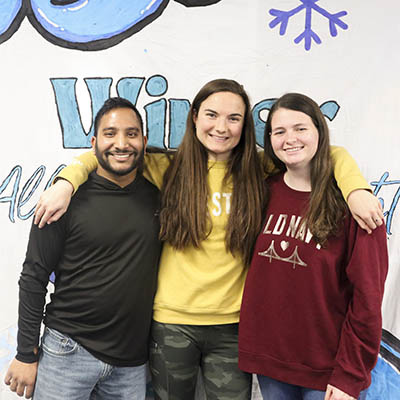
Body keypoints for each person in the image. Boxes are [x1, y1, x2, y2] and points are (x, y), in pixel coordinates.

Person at [33, 80, 383, 400]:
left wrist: (355, 189)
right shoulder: (166, 167)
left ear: (245, 126)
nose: (221, 126)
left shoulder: (260, 169)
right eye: (212, 115)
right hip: (171, 322)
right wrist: (65, 183)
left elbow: (328, 153)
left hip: (233, 325)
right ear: (195, 117)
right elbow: (100, 155)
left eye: (234, 118)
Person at [4, 97, 162, 399]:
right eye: (110, 133)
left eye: (131, 134)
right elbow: (34, 277)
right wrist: (26, 353)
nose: (121, 143)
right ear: (94, 142)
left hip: (131, 362)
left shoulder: (158, 198)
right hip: (67, 351)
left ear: (144, 140)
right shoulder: (61, 200)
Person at [238, 93, 388, 400]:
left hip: (328, 370)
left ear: (319, 131)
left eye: (300, 128)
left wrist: (350, 375)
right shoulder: (262, 193)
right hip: (272, 363)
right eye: (279, 132)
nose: (289, 139)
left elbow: (368, 300)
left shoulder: (355, 206)